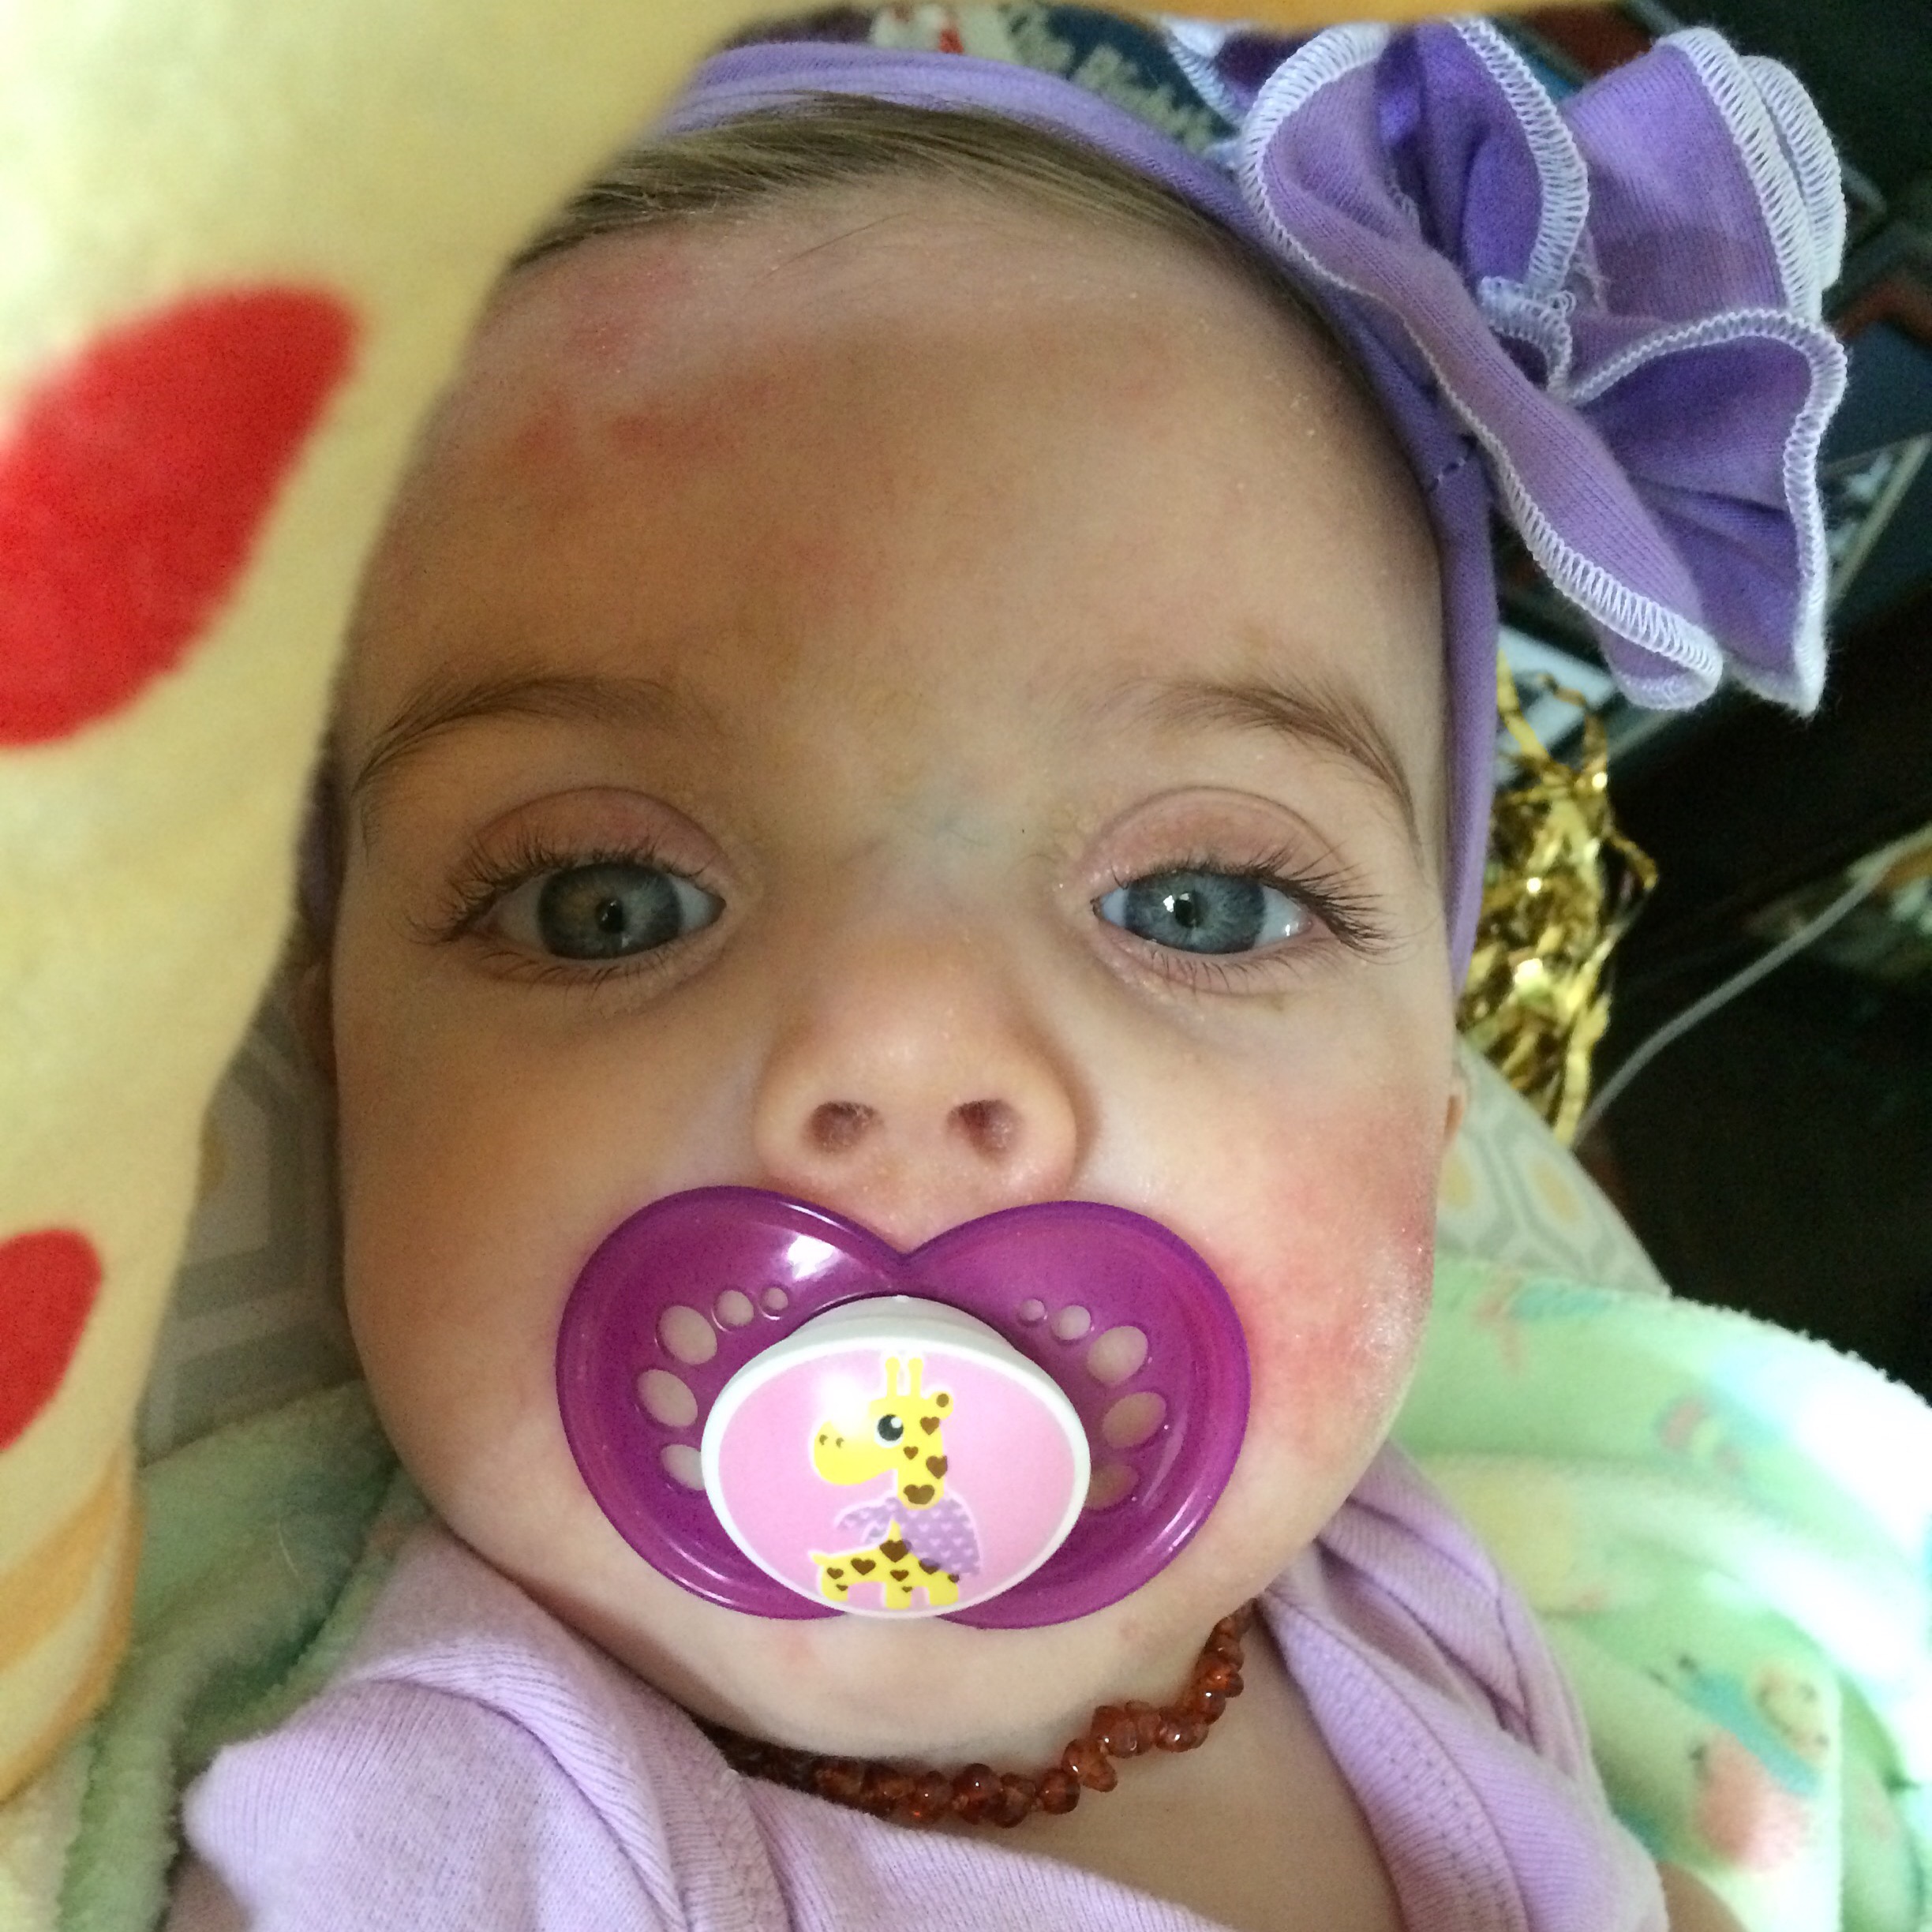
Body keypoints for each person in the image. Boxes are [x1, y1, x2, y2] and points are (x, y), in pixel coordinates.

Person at [165, 9, 1844, 1927]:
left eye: (1199, 905)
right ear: (338, 1049)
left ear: (1434, 1106)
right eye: (605, 905)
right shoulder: (452, 1846)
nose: (905, 1048)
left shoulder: (1398, 1594)